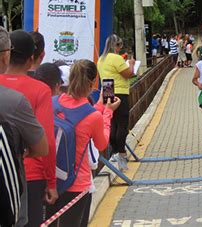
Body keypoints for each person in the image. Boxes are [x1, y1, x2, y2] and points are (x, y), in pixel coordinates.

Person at [45, 60, 120, 227]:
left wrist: (100, 107)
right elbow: (101, 144)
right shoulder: (93, 116)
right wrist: (107, 113)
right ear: (93, 82)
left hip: (51, 179)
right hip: (77, 184)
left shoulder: (53, 103)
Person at [0, 30, 58, 226]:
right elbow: (47, 142)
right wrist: (51, 182)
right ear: (31, 58)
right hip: (28, 177)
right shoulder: (40, 90)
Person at [97, 34, 135, 171]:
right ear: (116, 45)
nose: (120, 48)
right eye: (119, 45)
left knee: (112, 122)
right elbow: (128, 74)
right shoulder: (116, 58)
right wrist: (131, 64)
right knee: (122, 123)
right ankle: (121, 152)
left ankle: (114, 151)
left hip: (107, 90)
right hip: (120, 91)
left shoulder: (101, 59)